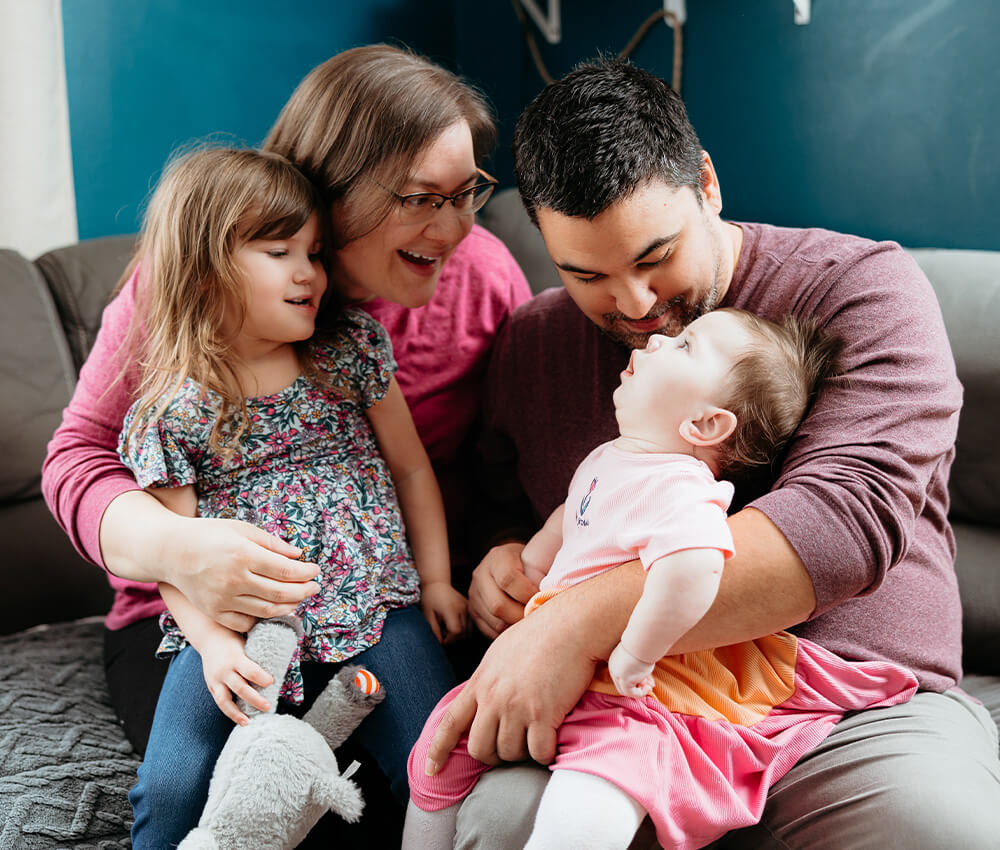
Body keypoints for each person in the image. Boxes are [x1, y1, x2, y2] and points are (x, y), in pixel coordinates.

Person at [428, 58, 1000, 848]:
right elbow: (496, 505)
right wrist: (499, 559)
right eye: (586, 274)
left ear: (707, 183)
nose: (633, 306)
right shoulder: (533, 344)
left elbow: (838, 530)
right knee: (498, 821)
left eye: (655, 256)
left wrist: (565, 628)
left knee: (942, 832)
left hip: (847, 705)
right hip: (620, 712)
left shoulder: (861, 291)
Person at [40, 44, 531, 844]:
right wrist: (176, 548)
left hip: (379, 596)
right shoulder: (189, 291)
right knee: (233, 798)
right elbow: (78, 455)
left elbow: (507, 466)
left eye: (467, 192)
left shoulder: (483, 281)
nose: (454, 227)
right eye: (420, 198)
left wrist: (498, 555)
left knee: (420, 788)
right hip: (210, 617)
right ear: (331, 194)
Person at [405, 307, 918, 850]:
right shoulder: (612, 456)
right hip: (559, 659)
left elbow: (697, 569)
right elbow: (575, 515)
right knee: (439, 748)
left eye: (685, 347)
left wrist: (638, 651)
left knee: (592, 801)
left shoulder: (681, 488)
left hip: (637, 682)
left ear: (705, 424)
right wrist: (530, 568)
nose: (655, 343)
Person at [109, 145, 469, 847]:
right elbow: (175, 559)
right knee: (174, 785)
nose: (310, 272)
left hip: (375, 604)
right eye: (280, 252)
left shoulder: (348, 351)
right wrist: (213, 648)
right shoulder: (175, 408)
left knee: (436, 763)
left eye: (314, 252)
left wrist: (435, 580)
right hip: (243, 624)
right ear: (207, 270)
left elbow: (411, 470)